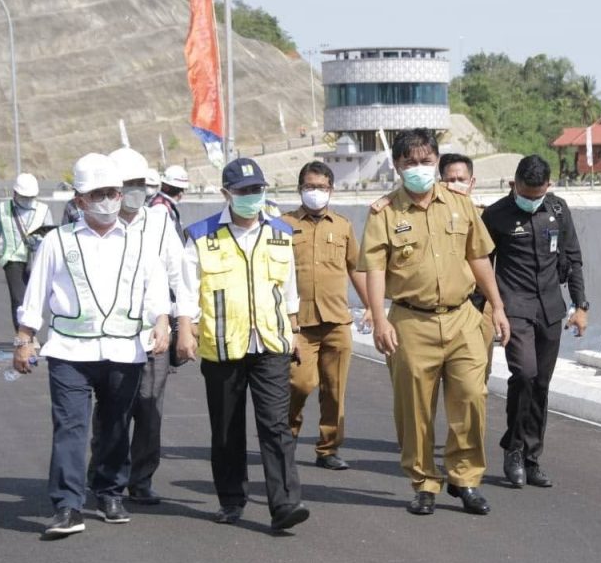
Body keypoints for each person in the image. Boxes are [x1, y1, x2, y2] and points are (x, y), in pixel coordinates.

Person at [12, 153, 170, 539]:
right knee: (70, 427)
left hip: (124, 351)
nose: (108, 200)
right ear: (79, 200)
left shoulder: (139, 242)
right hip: (70, 352)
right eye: (98, 194)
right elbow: (36, 294)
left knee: (115, 425)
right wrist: (25, 338)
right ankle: (67, 505)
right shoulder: (56, 242)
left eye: (113, 193)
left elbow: (155, 290)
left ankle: (110, 491)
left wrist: (163, 322)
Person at [359, 129, 510, 517]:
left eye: (426, 161)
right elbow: (374, 269)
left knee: (471, 399)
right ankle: (424, 482)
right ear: (397, 165)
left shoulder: (461, 205)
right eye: (410, 162)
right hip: (411, 321)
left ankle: (465, 479)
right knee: (414, 409)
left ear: (437, 162)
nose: (419, 169)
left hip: (462, 318)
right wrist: (379, 319)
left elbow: (479, 257)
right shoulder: (384, 213)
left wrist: (497, 306)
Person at [176, 157, 309, 532]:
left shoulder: (281, 232)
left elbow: (289, 290)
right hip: (222, 346)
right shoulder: (201, 236)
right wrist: (185, 329)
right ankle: (232, 499)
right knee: (226, 428)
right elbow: (187, 291)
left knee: (275, 425)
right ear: (226, 194)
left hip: (270, 343)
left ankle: (285, 502)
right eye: (244, 191)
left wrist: (294, 330)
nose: (252, 197)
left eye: (257, 190)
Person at [481, 155, 588, 489]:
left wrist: (580, 305)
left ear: (549, 187)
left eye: (537, 195)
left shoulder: (558, 210)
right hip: (514, 307)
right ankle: (512, 449)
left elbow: (573, 257)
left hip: (550, 310)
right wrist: (483, 308)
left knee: (540, 383)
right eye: (525, 194)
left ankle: (532, 456)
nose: (530, 201)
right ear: (514, 184)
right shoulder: (496, 215)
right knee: (524, 374)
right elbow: (481, 265)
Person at [87, 147, 183, 505]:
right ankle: (104, 473)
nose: (136, 190)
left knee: (149, 406)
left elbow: (179, 272)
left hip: (153, 332)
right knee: (112, 409)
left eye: (141, 183)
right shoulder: (95, 224)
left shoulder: (159, 223)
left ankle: (141, 478)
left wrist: (185, 321)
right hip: (108, 334)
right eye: (129, 184)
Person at [283, 161, 371, 471]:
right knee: (300, 384)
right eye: (310, 187)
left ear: (331, 190)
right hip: (299, 324)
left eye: (321, 187)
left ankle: (328, 448)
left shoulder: (343, 225)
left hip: (336, 321)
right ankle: (286, 438)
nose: (315, 192)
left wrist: (371, 305)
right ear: (299, 189)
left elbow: (355, 268)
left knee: (334, 389)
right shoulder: (283, 225)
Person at [438, 153, 496, 382]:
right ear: (440, 181)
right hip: (444, 308)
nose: (455, 185)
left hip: (480, 308)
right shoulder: (429, 219)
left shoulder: (488, 218)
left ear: (472, 182)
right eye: (449, 180)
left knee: (476, 381)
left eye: (461, 179)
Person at [0, 173, 53, 331]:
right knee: (18, 299)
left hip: (37, 260)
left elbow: (51, 238)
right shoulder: (2, 210)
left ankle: (30, 330)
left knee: (35, 298)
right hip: (13, 260)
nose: (27, 199)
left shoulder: (44, 210)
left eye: (30, 196)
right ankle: (23, 336)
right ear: (14, 193)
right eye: (24, 196)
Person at [150, 165, 189, 239]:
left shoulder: (167, 206)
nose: (181, 193)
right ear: (166, 187)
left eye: (182, 189)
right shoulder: (160, 208)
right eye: (179, 189)